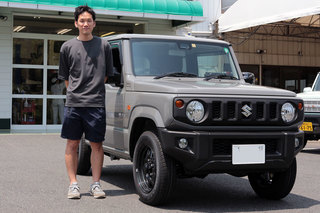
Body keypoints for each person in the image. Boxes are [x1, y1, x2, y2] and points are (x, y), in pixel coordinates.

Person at [58, 5, 113, 199]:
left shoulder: (104, 46)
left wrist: (92, 90)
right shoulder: (67, 47)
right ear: (76, 23)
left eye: (89, 20)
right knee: (72, 144)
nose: (85, 23)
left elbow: (106, 75)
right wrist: (76, 92)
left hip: (96, 103)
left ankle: (96, 185)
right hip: (74, 104)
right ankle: (73, 184)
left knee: (96, 145)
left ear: (94, 23)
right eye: (82, 20)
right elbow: (66, 78)